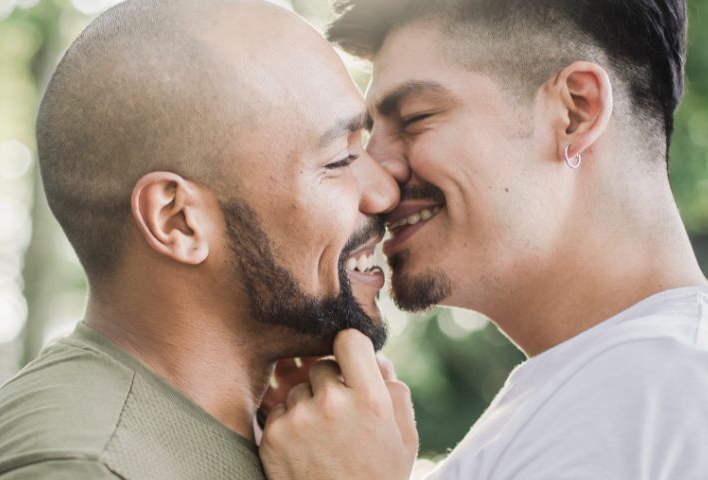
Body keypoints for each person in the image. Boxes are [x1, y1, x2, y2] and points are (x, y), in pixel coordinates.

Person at [0, 0, 418, 479]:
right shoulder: (82, 467)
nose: (385, 190)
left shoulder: (296, 450)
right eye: (338, 160)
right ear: (178, 221)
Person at [258, 0, 708, 479]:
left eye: (415, 118)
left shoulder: (662, 394)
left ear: (576, 112)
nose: (377, 180)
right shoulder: (598, 396)